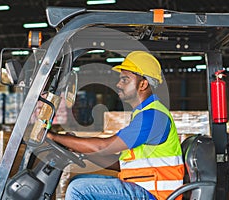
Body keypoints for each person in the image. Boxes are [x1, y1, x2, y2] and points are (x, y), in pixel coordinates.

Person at [47, 51, 184, 200]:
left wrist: (54, 137)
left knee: (78, 189)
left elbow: (103, 146)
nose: (118, 84)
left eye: (125, 80)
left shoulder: (152, 117)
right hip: (144, 189)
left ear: (143, 84)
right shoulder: (143, 114)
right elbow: (119, 164)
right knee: (77, 182)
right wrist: (81, 151)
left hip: (155, 195)